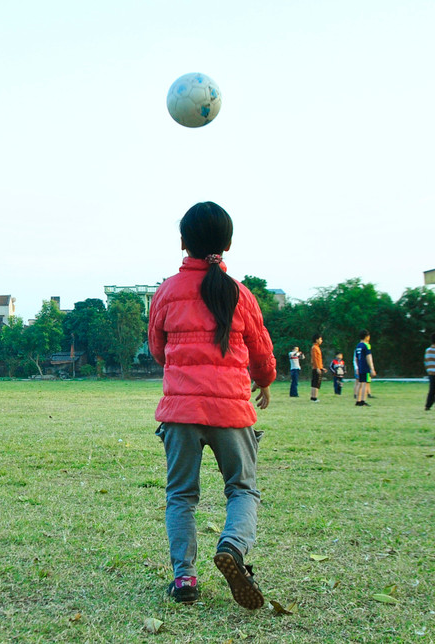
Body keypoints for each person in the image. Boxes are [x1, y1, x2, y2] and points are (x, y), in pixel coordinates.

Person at [148, 202, 276, 609]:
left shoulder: (167, 292)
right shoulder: (240, 293)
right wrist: (266, 380)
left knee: (181, 495)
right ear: (228, 244)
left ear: (182, 242)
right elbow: (261, 351)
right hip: (231, 412)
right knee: (242, 489)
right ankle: (233, 547)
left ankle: (184, 578)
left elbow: (158, 349)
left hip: (180, 414)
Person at [354, 330, 376, 406]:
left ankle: (358, 400)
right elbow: (369, 357)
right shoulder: (366, 345)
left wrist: (357, 367)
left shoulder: (358, 346)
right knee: (365, 384)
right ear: (366, 337)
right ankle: (363, 400)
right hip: (365, 367)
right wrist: (372, 368)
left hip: (360, 367)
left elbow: (356, 358)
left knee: (360, 383)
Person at [310, 334, 325, 402]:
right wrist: (317, 368)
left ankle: (313, 397)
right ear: (316, 340)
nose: (321, 341)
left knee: (317, 383)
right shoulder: (314, 348)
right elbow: (315, 359)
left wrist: (322, 367)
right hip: (316, 368)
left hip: (319, 367)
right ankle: (314, 397)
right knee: (316, 383)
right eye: (320, 339)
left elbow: (319, 359)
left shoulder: (317, 347)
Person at [425, 333, 435, 411]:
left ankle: (428, 405)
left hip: (431, 373)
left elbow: (426, 362)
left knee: (432, 390)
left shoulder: (428, 350)